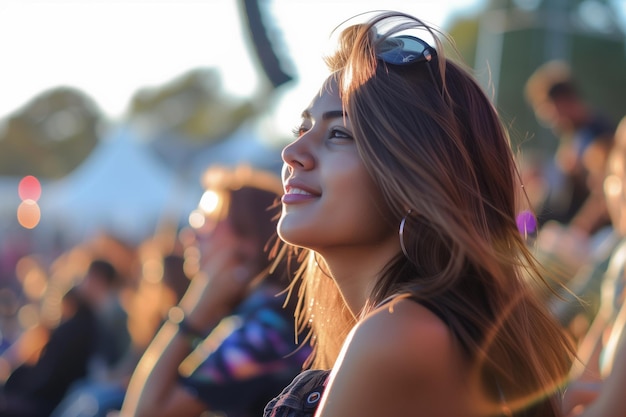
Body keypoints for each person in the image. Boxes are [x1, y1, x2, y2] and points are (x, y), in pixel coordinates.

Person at [264, 11, 574, 417]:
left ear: (415, 174)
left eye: (339, 133)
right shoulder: (414, 324)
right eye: (302, 130)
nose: (292, 154)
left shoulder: (400, 333)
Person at [116, 165, 311, 417]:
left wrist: (193, 311)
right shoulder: (267, 311)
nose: (190, 234)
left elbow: (143, 413)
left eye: (205, 221)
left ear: (249, 242)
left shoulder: (265, 327)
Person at [524, 60, 615, 238]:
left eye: (550, 111)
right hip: (558, 230)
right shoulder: (573, 136)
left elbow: (602, 196)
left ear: (565, 102)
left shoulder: (600, 134)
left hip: (588, 239)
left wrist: (575, 233)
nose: (550, 120)